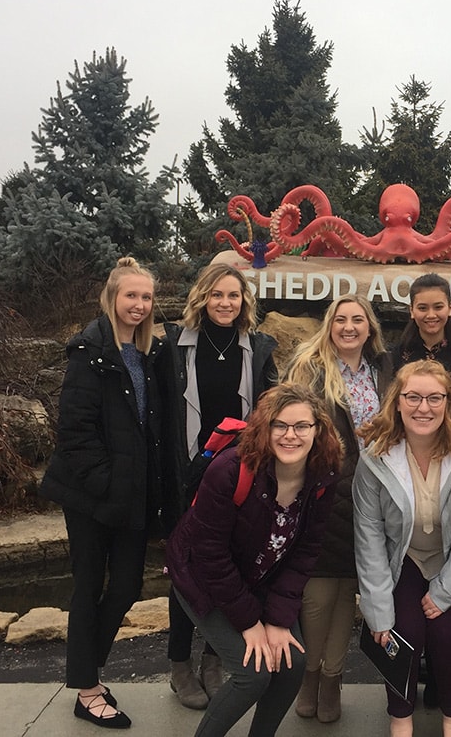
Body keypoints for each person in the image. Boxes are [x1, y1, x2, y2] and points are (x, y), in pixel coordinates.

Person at [40, 257, 179, 728]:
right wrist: (107, 487)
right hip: (90, 497)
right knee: (88, 588)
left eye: (146, 298)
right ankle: (87, 687)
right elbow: (75, 435)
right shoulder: (89, 352)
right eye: (130, 296)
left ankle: (86, 671)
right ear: (112, 297)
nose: (138, 305)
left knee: (125, 587)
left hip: (131, 497)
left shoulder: (148, 355)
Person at [166, 383, 341, 737]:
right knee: (252, 675)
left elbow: (305, 551)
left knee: (292, 663)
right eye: (280, 425)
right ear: (265, 427)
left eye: (302, 426)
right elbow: (210, 554)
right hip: (201, 576)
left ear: (317, 429)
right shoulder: (230, 470)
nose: (290, 435)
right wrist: (249, 623)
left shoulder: (322, 475)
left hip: (258, 577)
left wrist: (277, 620)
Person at [353, 359, 451, 737]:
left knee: (446, 635)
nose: (424, 407)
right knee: (398, 634)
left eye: (435, 398)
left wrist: (447, 589)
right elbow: (368, 533)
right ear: (396, 401)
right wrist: (377, 608)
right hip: (401, 558)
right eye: (413, 397)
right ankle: (400, 720)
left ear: (449, 402)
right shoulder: (375, 452)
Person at [162, 262, 278, 709]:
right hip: (187, 472)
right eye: (217, 295)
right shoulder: (176, 347)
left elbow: (270, 408)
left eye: (233, 295)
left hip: (237, 473)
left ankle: (213, 658)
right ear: (202, 298)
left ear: (244, 301)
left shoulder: (260, 347)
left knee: (232, 564)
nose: (225, 303)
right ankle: (178, 664)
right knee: (184, 568)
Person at [283, 295, 393, 722]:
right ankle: (309, 675)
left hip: (374, 494)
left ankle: (333, 678)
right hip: (324, 492)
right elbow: (290, 428)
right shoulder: (309, 370)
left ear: (370, 327)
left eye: (357, 320)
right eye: (340, 319)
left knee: (348, 591)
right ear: (329, 325)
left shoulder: (384, 369)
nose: (349, 327)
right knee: (315, 595)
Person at [393, 273, 451, 399]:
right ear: (412, 311)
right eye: (422, 308)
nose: (431, 315)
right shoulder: (396, 355)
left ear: (450, 308)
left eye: (438, 307)